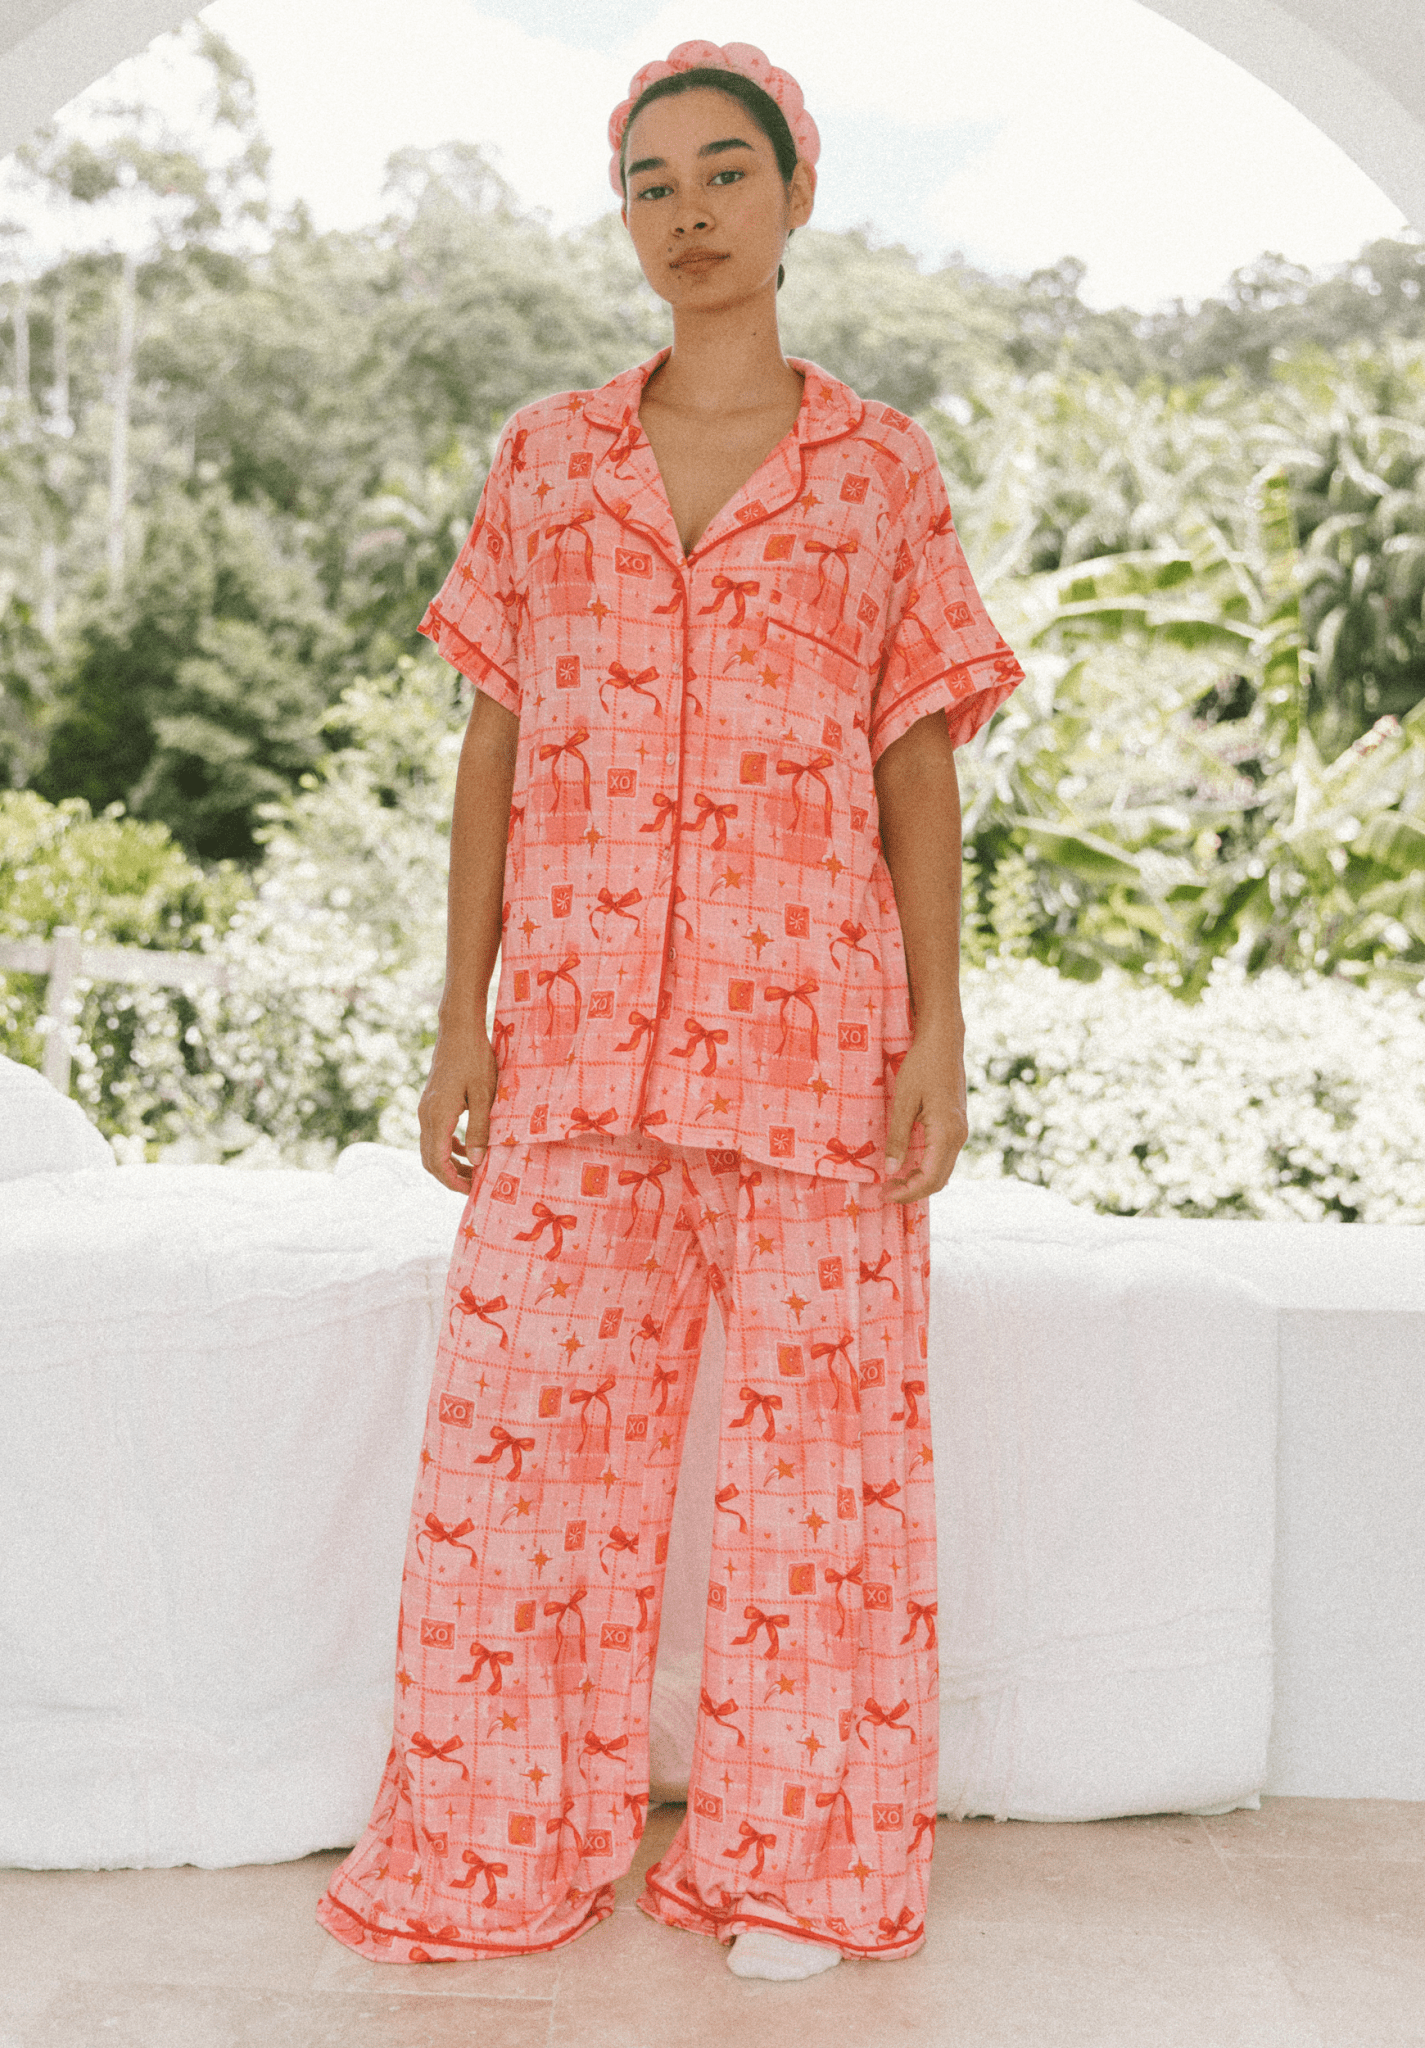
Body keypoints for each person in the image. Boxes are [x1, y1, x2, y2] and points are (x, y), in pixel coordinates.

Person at [316, 37, 1024, 1984]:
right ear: (623, 216)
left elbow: (916, 764)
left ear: (797, 197)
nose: (688, 212)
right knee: (522, 1467)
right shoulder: (546, 460)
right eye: (652, 182)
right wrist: (459, 1020)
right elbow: (492, 748)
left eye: (725, 172)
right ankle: (498, 1848)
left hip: (815, 1042)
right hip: (569, 1036)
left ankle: (800, 1870)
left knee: (824, 1473)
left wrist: (939, 1028)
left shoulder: (879, 470)